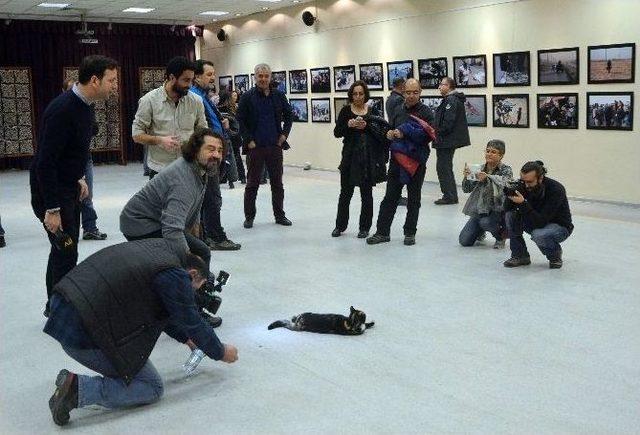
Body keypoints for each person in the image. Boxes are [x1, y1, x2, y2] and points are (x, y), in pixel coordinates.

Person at [44, 239, 238, 426]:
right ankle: (78, 388)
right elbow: (192, 320)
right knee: (151, 386)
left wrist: (186, 338)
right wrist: (220, 351)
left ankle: (72, 386)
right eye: (198, 286)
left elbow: (165, 310)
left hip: (64, 307)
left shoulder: (161, 252)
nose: (195, 293)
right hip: (80, 333)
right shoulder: (177, 276)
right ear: (193, 273)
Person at [30, 55, 118, 317]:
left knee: (64, 249)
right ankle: (61, 311)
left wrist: (78, 177)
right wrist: (52, 208)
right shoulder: (63, 109)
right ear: (94, 80)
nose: (115, 86)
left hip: (67, 185)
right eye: (111, 81)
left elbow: (72, 150)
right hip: (51, 191)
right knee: (66, 250)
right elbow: (45, 162)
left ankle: (54, 306)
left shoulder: (85, 105)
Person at [367, 78, 434, 246]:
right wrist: (389, 134)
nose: (411, 96)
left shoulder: (427, 112)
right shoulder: (397, 109)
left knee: (414, 199)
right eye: (408, 92)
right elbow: (390, 129)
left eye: (415, 92)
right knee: (390, 197)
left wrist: (405, 133)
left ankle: (410, 233)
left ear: (420, 93)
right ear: (403, 92)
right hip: (397, 161)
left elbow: (428, 136)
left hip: (416, 162)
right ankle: (382, 232)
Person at [189, 60, 241, 251]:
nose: (212, 78)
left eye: (213, 74)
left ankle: (207, 235)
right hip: (206, 155)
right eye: (209, 74)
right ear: (197, 76)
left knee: (210, 197)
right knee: (212, 197)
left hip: (214, 151)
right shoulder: (196, 97)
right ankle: (215, 237)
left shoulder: (204, 96)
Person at [237, 63, 293, 229]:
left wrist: (284, 135)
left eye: (266, 76)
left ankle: (279, 215)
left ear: (270, 77)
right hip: (256, 148)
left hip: (275, 146)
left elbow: (289, 116)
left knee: (277, 183)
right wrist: (249, 141)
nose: (263, 79)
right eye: (260, 76)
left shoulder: (279, 96)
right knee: (252, 184)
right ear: (255, 77)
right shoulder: (247, 97)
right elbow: (241, 121)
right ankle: (249, 217)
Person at [132, 56, 207, 179]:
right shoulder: (149, 101)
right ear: (172, 77)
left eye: (191, 80)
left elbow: (203, 131)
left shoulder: (196, 101)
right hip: (160, 170)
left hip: (190, 167)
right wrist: (160, 140)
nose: (190, 85)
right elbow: (136, 135)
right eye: (186, 80)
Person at [332, 80, 390, 238]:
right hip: (350, 158)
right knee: (345, 193)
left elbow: (381, 133)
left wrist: (367, 126)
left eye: (361, 93)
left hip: (367, 158)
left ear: (365, 95)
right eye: (355, 94)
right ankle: (340, 226)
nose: (358, 96)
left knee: (366, 194)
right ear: (351, 95)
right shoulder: (345, 111)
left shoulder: (372, 110)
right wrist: (348, 125)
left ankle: (364, 227)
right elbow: (337, 133)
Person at [503, 161, 573, 269]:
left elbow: (541, 222)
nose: (526, 185)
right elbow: (506, 209)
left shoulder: (556, 189)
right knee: (510, 216)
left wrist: (522, 203)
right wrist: (511, 195)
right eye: (523, 181)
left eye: (529, 182)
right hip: (535, 219)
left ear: (540, 178)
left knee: (538, 234)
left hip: (559, 226)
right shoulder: (524, 185)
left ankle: (555, 255)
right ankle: (520, 255)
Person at [61, 78, 108, 241]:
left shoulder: (87, 107)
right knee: (69, 196)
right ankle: (68, 231)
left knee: (87, 194)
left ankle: (90, 228)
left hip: (84, 156)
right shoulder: (60, 110)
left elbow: (94, 129)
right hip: (66, 160)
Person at [458, 140, 512, 249]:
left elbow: (505, 186)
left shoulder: (506, 170)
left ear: (501, 155)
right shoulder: (479, 169)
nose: (489, 154)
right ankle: (480, 231)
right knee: (464, 241)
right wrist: (467, 177)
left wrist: (487, 178)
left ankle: (500, 236)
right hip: (479, 209)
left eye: (493, 152)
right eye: (487, 151)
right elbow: (466, 189)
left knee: (485, 222)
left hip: (497, 209)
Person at [432, 77, 471, 205]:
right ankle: (450, 195)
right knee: (445, 167)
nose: (439, 87)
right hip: (446, 140)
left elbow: (448, 122)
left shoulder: (451, 100)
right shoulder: (451, 100)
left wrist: (437, 132)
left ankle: (449, 196)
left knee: (443, 167)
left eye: (442, 84)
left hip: (446, 140)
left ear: (449, 86)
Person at [219, 90, 246, 184]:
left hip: (227, 136)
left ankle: (227, 178)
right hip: (233, 136)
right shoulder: (232, 110)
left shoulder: (219, 110)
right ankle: (240, 177)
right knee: (235, 157)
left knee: (228, 157)